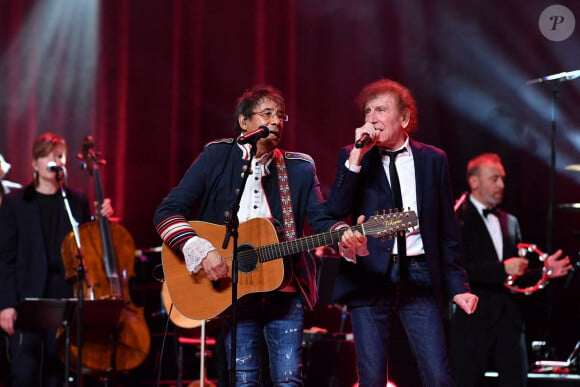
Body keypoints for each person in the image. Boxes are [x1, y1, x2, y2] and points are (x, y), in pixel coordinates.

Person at [153, 85, 365, 386]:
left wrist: (342, 232)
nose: (277, 121)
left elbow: (321, 220)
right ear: (243, 122)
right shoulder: (217, 156)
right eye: (267, 114)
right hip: (233, 290)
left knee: (289, 379)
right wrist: (201, 249)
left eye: (281, 116)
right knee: (242, 380)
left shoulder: (300, 167)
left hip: (285, 289)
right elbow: (167, 211)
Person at [326, 78, 479, 387]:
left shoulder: (433, 159)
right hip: (368, 275)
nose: (371, 118)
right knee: (371, 377)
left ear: (405, 118)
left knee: (437, 374)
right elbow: (335, 209)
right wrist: (356, 157)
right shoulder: (352, 156)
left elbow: (446, 231)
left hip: (419, 271)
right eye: (368, 111)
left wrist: (458, 286)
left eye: (381, 110)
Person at [0, 133, 114, 387]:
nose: (54, 160)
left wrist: (99, 220)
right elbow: (4, 258)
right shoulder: (15, 203)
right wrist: (5, 304)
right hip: (27, 297)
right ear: (35, 163)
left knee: (59, 373)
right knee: (25, 373)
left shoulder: (76, 201)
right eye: (47, 155)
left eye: (59, 155)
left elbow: (88, 247)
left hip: (64, 293)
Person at [452, 152, 571, 387]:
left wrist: (543, 272)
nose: (501, 185)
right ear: (474, 182)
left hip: (509, 318)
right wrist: (501, 268)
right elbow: (457, 269)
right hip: (473, 318)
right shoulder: (457, 218)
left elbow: (513, 277)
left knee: (516, 381)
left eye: (503, 179)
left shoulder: (510, 221)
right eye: (494, 179)